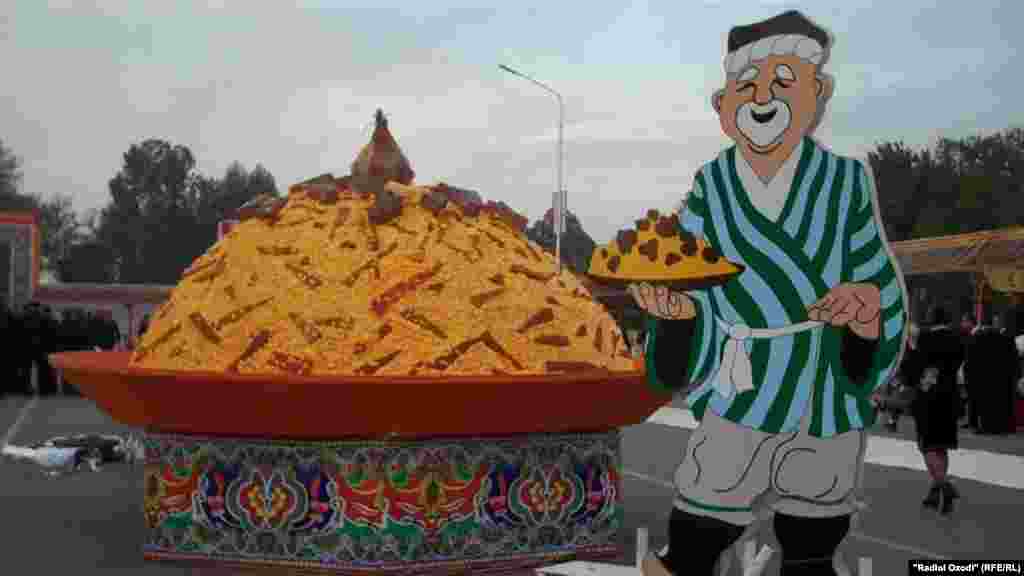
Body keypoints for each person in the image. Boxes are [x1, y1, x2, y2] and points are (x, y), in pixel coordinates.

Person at [632, 10, 907, 576]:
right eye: (747, 86)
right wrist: (679, 316)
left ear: (818, 94)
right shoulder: (711, 186)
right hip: (743, 384)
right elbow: (691, 278)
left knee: (813, 539)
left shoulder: (846, 181)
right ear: (722, 105)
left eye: (784, 81)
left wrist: (864, 315)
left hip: (822, 387)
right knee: (696, 532)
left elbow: (874, 275)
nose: (763, 98)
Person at [907, 307, 963, 515]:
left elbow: (914, 366)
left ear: (931, 319)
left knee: (928, 445)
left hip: (928, 396)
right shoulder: (958, 339)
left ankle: (944, 484)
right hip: (950, 396)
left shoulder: (925, 338)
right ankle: (935, 492)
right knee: (942, 446)